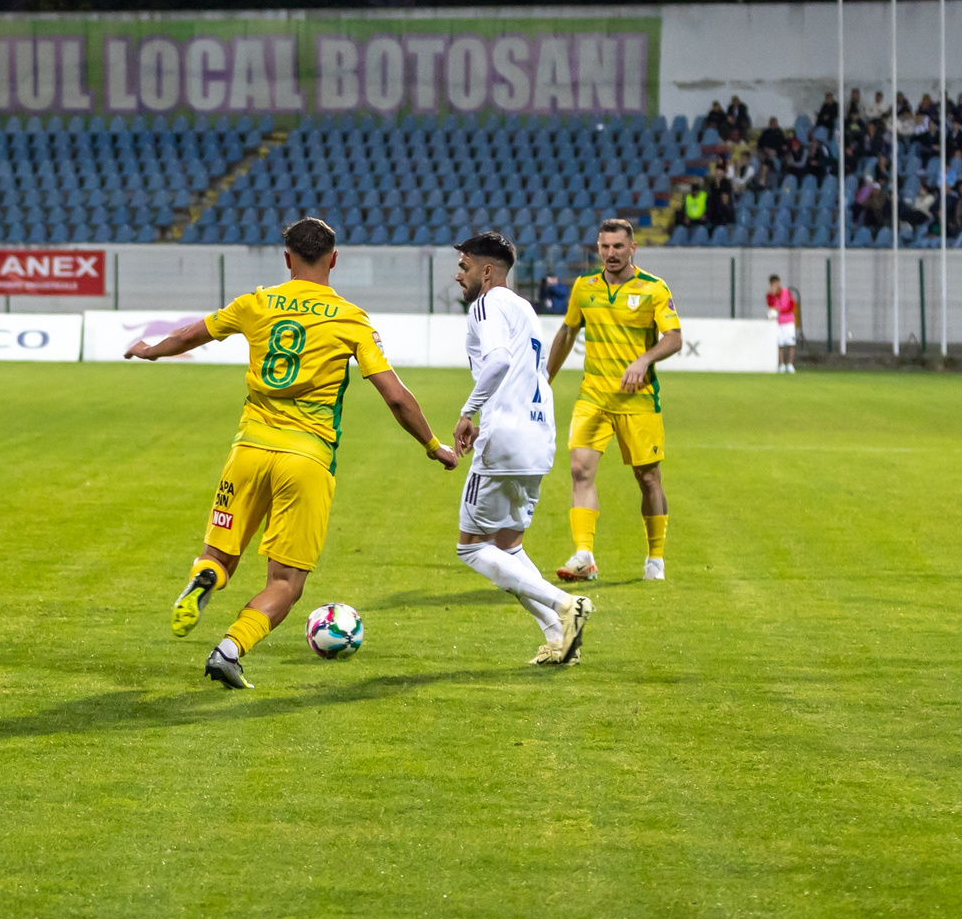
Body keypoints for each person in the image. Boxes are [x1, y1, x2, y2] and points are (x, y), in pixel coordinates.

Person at [126, 215, 457, 691]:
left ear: (287, 258)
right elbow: (396, 396)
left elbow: (191, 335)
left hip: (248, 450)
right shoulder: (350, 319)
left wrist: (151, 349)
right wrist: (433, 446)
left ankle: (203, 580)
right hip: (306, 460)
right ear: (334, 259)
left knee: (219, 555)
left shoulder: (255, 302)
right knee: (285, 582)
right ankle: (230, 649)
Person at [449, 232, 593, 666]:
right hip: (537, 435)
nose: (460, 275)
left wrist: (468, 412)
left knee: (472, 548)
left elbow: (497, 361)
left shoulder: (487, 303)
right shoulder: (525, 309)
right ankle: (559, 636)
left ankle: (566, 604)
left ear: (487, 271)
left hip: (505, 436)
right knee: (507, 549)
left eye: (465, 266)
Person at [548, 219, 682, 583]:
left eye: (618, 247)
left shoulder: (653, 289)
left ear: (632, 248)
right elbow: (567, 331)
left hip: (638, 402)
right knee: (579, 470)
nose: (610, 254)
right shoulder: (584, 288)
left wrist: (644, 360)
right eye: (604, 247)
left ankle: (655, 557)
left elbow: (673, 338)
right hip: (593, 397)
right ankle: (584, 555)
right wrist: (545, 378)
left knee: (648, 478)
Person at [767, 274, 800, 373]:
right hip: (778, 323)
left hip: (789, 321)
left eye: (777, 283)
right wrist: (772, 295)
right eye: (774, 284)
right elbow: (770, 305)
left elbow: (791, 306)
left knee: (791, 343)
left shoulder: (786, 292)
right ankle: (781, 364)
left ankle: (790, 364)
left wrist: (780, 310)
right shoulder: (770, 295)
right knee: (780, 344)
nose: (776, 285)